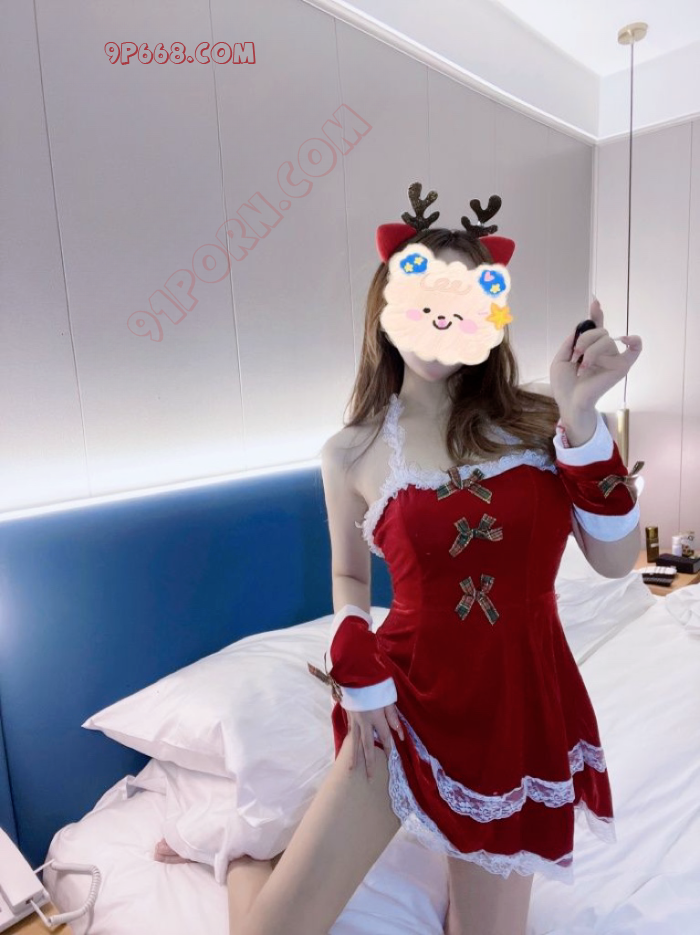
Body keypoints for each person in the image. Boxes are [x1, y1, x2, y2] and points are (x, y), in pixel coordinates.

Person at [158, 184, 644, 935]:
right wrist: (351, 637)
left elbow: (617, 561)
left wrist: (584, 417)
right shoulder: (350, 450)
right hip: (400, 703)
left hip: (516, 703)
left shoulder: (546, 418)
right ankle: (252, 857)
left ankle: (452, 852)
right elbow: (350, 574)